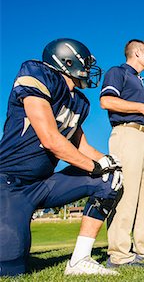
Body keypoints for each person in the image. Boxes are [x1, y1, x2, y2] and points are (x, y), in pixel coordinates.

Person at [0, 38, 123, 276]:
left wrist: (108, 163)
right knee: (10, 266)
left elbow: (79, 143)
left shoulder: (78, 101)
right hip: (9, 184)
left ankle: (80, 260)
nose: (89, 70)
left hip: (43, 184)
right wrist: (95, 166)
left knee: (108, 180)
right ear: (67, 61)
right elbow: (50, 139)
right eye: (85, 63)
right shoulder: (37, 73)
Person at [100, 39, 144, 268]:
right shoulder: (118, 72)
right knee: (126, 194)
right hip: (126, 134)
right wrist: (142, 108)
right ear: (137, 53)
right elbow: (106, 101)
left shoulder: (141, 84)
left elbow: (142, 109)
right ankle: (119, 254)